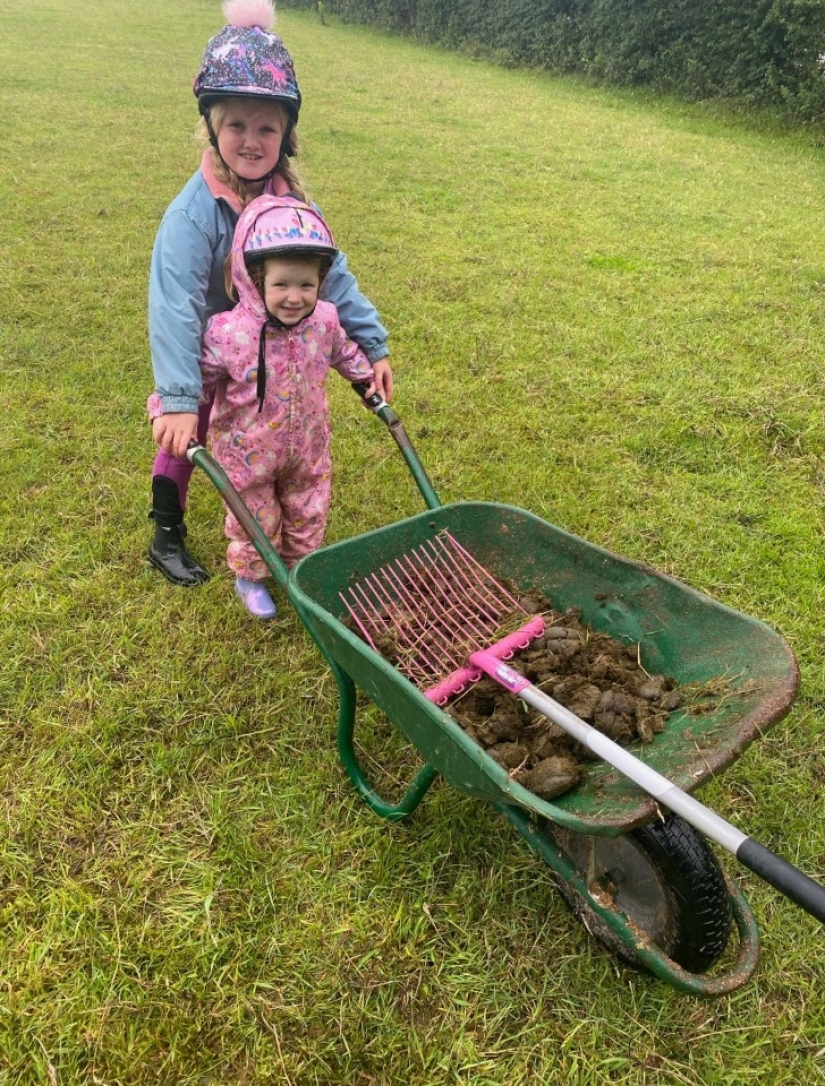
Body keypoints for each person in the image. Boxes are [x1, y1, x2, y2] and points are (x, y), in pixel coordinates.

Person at [147, 0, 392, 588]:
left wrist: (372, 344)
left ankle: (279, 517)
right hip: (215, 345)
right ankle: (165, 531)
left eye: (266, 127)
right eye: (236, 125)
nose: (251, 141)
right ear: (211, 125)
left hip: (278, 342)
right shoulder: (192, 214)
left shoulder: (293, 205)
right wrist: (180, 395)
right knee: (190, 433)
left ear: (286, 134)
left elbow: (333, 278)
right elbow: (174, 304)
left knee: (271, 431)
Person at [149, 195, 374, 619]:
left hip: (307, 446)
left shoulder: (324, 320)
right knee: (254, 518)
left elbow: (344, 351)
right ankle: (250, 577)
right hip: (245, 454)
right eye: (281, 285)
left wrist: (365, 380)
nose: (294, 297)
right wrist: (170, 405)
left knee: (308, 509)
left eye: (306, 285)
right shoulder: (229, 332)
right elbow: (200, 375)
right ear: (255, 280)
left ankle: (299, 569)